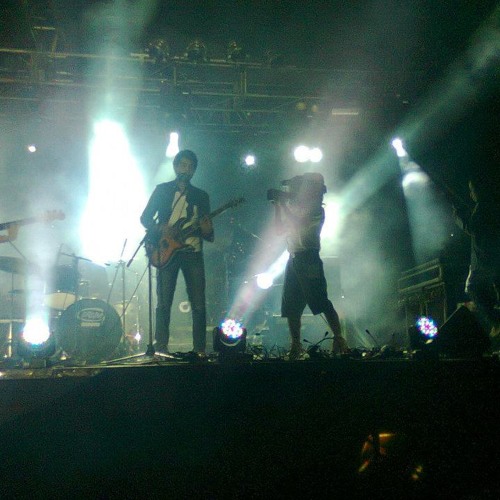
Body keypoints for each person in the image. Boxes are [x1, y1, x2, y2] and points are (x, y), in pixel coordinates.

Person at [140, 150, 214, 356]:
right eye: (183, 165)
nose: (186, 170)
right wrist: (160, 228)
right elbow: (145, 218)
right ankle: (161, 347)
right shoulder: (162, 190)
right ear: (175, 167)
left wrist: (207, 229)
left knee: (198, 303)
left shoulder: (201, 196)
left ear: (194, 171)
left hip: (192, 252)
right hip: (166, 250)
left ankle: (199, 349)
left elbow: (209, 233)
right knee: (164, 302)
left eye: (190, 167)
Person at [272, 172, 348, 359]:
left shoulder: (315, 209)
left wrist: (283, 204)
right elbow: (279, 229)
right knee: (292, 306)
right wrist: (278, 207)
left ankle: (339, 339)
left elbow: (299, 223)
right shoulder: (295, 207)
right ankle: (296, 344)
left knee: (320, 301)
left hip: (308, 257)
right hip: (294, 257)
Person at [453, 174, 500, 341]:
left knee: (472, 287)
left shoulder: (483, 206)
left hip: (485, 260)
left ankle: (496, 322)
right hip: (490, 259)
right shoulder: (491, 205)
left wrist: (458, 215)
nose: (471, 194)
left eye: (472, 190)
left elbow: (472, 228)